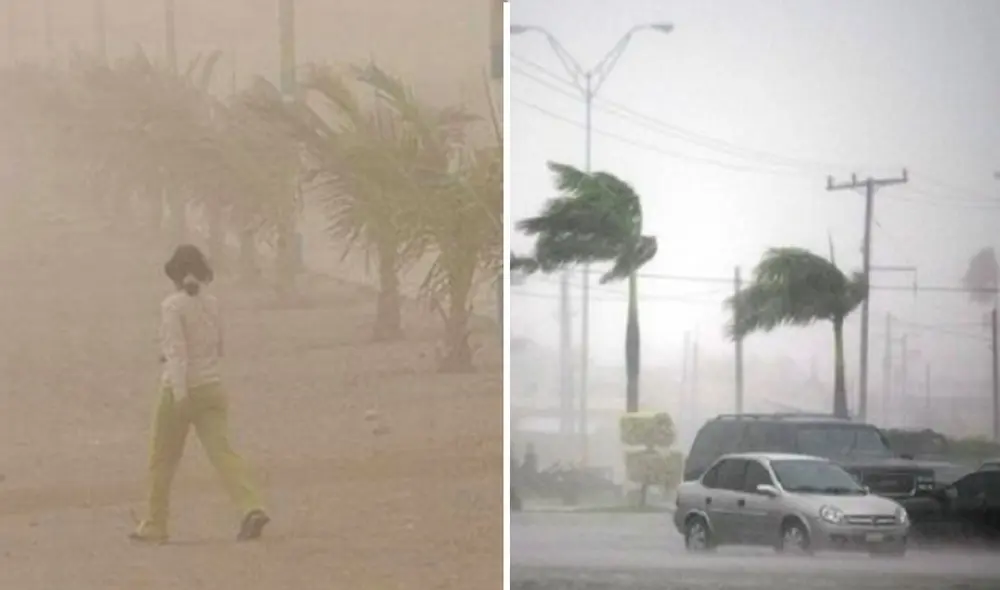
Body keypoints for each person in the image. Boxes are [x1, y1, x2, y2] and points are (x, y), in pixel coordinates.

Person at [130, 244, 269, 543]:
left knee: (162, 460)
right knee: (224, 454)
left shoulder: (172, 306)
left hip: (180, 390)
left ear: (176, 276)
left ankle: (155, 523)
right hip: (213, 387)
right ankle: (251, 506)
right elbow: (218, 345)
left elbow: (178, 354)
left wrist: (180, 394)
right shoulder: (212, 303)